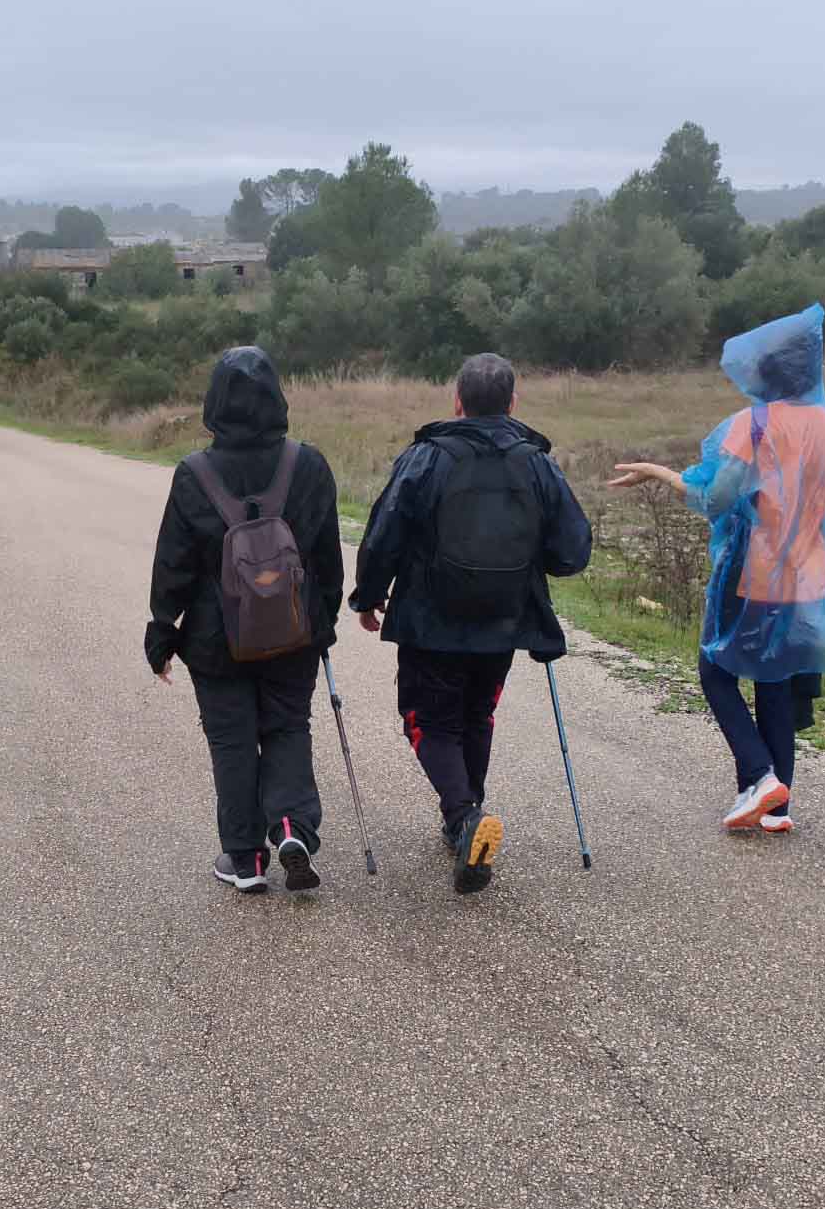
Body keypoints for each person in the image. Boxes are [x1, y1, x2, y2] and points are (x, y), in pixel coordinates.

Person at [608, 303, 825, 833]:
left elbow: (713, 498)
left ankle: (758, 774)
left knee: (715, 670)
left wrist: (657, 472)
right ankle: (778, 809)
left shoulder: (753, 424)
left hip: (755, 573)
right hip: (809, 574)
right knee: (776, 680)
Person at [349, 352, 591, 893]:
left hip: (430, 616)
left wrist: (368, 596)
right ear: (512, 402)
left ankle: (463, 817)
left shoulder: (427, 457)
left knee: (427, 720)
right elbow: (573, 551)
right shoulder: (537, 463)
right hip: (505, 618)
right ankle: (465, 816)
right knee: (477, 714)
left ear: (457, 401)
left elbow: (385, 530)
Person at [147, 346, 343, 893]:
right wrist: (322, 619)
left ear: (214, 402)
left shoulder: (194, 474)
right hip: (293, 631)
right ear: (277, 397)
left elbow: (173, 564)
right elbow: (327, 554)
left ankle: (246, 858)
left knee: (231, 740)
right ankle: (290, 824)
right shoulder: (309, 464)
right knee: (287, 726)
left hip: (216, 640)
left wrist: (162, 633)